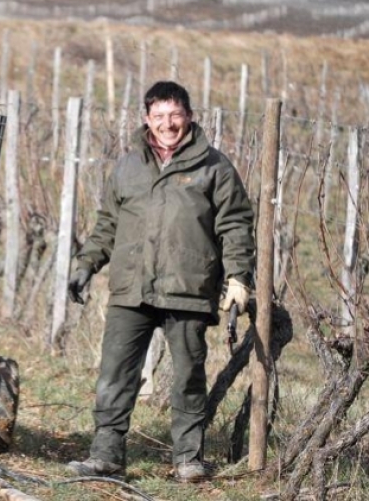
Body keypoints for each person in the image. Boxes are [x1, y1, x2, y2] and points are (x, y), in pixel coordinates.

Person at [67, 80, 254, 482]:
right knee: (115, 373)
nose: (167, 124)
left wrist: (238, 276)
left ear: (188, 115)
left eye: (175, 115)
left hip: (188, 288)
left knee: (188, 376)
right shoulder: (129, 166)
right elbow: (108, 225)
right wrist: (86, 263)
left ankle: (188, 460)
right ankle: (106, 455)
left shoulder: (214, 167)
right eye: (159, 116)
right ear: (146, 119)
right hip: (131, 287)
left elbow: (235, 224)